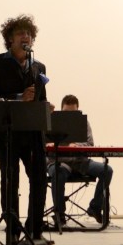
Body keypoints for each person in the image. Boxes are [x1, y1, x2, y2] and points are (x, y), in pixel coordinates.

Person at [0, 14, 51, 245]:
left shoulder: (38, 66)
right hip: (8, 132)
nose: (26, 37)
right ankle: (12, 231)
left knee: (39, 179)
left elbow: (40, 99)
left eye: (29, 34)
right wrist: (18, 97)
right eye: (21, 33)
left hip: (33, 133)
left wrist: (46, 106)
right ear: (10, 39)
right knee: (10, 180)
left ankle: (35, 230)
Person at [46, 95, 114, 227]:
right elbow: (42, 142)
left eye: (73, 112)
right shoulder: (51, 121)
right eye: (66, 112)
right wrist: (51, 145)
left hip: (80, 162)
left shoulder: (84, 122)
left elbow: (90, 144)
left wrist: (76, 145)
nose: (70, 115)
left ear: (78, 110)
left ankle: (95, 207)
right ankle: (59, 213)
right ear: (61, 109)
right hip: (59, 162)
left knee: (107, 170)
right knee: (58, 172)